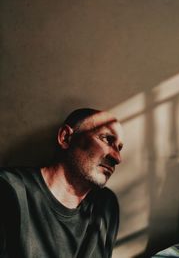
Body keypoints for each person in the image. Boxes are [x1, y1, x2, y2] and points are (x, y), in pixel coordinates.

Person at [0, 108, 124, 258]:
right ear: (65, 138)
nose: (117, 158)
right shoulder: (8, 190)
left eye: (119, 148)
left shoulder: (106, 206)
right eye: (107, 139)